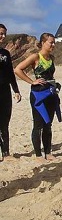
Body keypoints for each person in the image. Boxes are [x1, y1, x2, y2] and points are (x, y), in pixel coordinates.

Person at [14, 33, 61, 161]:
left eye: (54, 42)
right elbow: (18, 69)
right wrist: (32, 81)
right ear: (43, 42)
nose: (53, 45)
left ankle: (48, 152)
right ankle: (38, 154)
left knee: (48, 124)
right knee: (38, 124)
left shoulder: (51, 58)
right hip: (38, 95)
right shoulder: (36, 57)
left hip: (50, 94)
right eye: (51, 42)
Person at [0, 24, 21, 161]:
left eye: (4, 34)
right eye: (0, 33)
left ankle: (6, 153)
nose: (2, 36)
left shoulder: (6, 53)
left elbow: (10, 74)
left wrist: (16, 90)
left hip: (5, 91)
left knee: (4, 123)